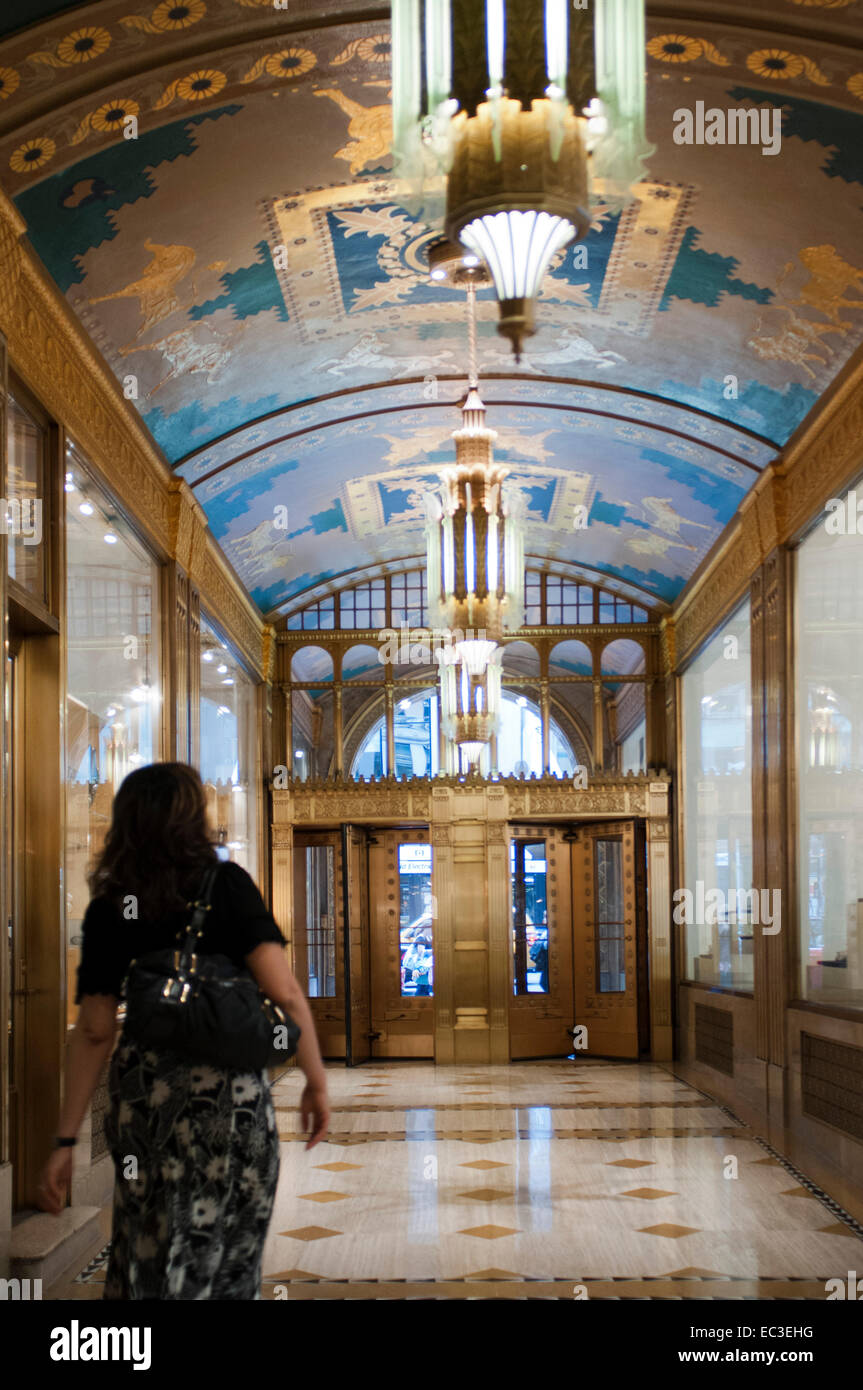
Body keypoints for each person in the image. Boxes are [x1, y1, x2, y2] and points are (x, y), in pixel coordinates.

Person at [38, 761, 329, 1301]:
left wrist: (65, 1139)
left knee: (147, 1232)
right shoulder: (228, 885)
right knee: (231, 1244)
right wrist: (315, 1079)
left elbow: (96, 1031)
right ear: (191, 818)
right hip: (231, 1103)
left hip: (146, 1104)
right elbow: (285, 992)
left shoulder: (113, 906)